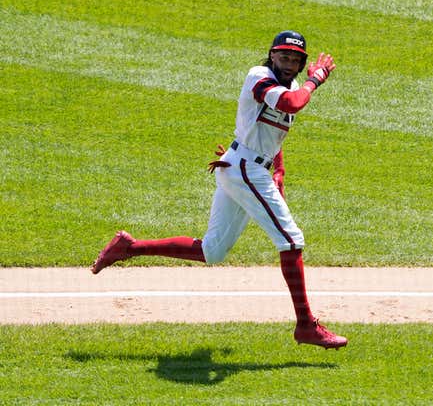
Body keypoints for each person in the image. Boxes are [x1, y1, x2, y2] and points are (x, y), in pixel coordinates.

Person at [91, 30, 347, 350]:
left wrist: (279, 170)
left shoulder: (291, 85)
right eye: (284, 56)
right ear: (271, 55)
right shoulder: (260, 77)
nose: (289, 63)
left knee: (212, 251)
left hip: (243, 167)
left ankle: (129, 247)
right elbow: (291, 104)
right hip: (244, 169)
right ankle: (306, 325)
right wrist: (316, 80)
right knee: (291, 240)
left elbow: (270, 129)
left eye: (296, 60)